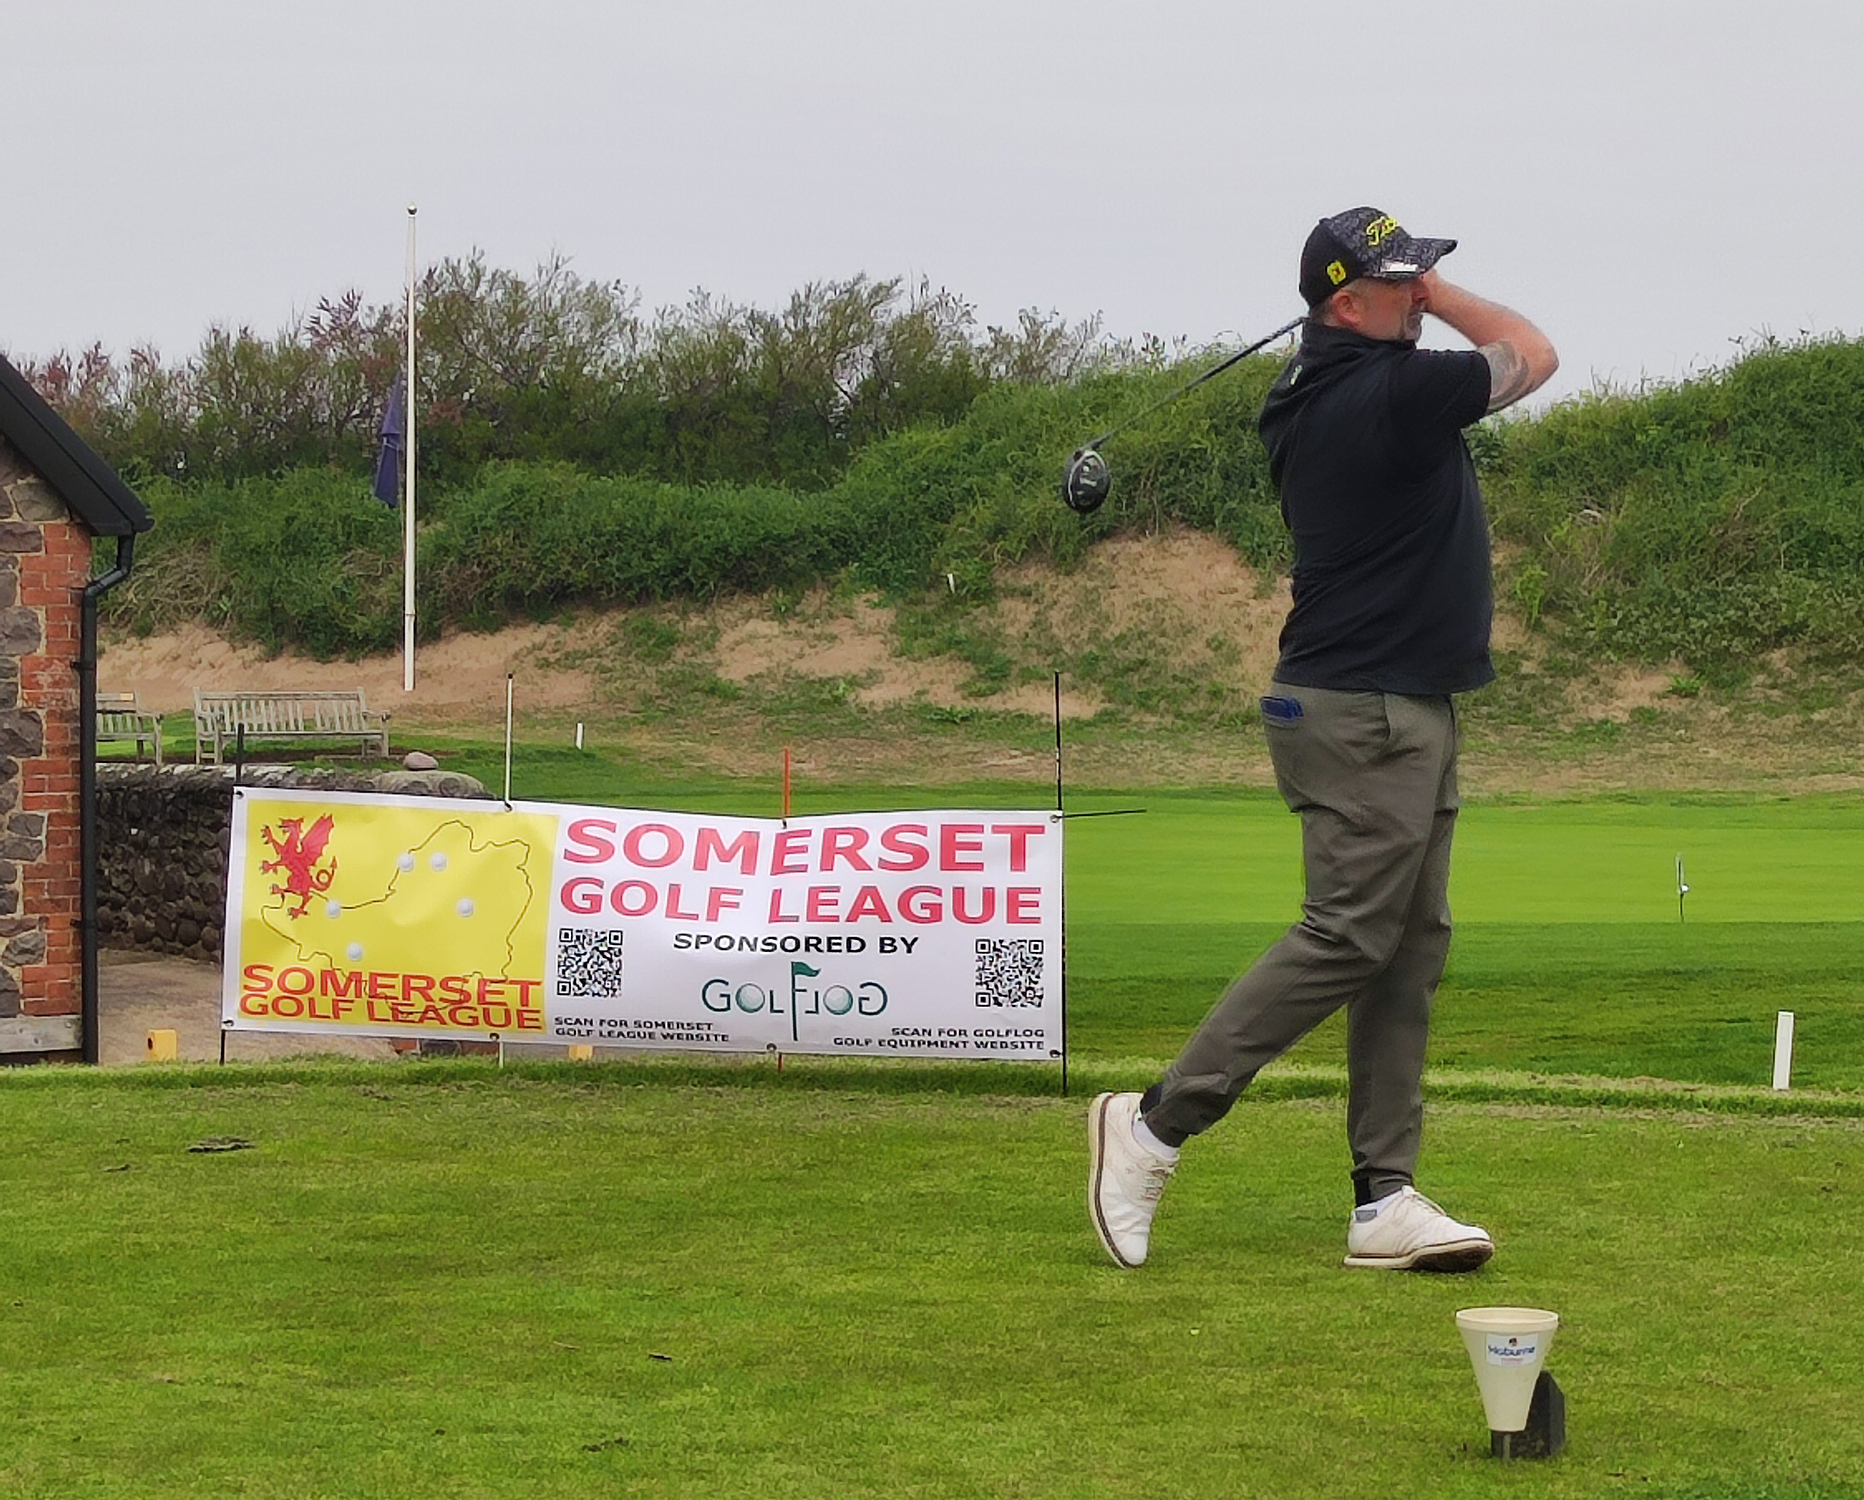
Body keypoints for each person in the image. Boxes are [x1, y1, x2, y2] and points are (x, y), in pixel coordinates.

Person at [1088, 206, 1558, 1272]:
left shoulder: (1317, 386)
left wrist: (1408, 290)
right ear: (1348, 304)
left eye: (1422, 277)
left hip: (1403, 704)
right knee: (1349, 934)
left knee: (1407, 946)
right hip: (1363, 713)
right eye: (1401, 282)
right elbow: (1532, 352)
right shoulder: (1391, 391)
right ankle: (1154, 1125)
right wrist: (1443, 301)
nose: (1419, 293)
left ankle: (1383, 1199)